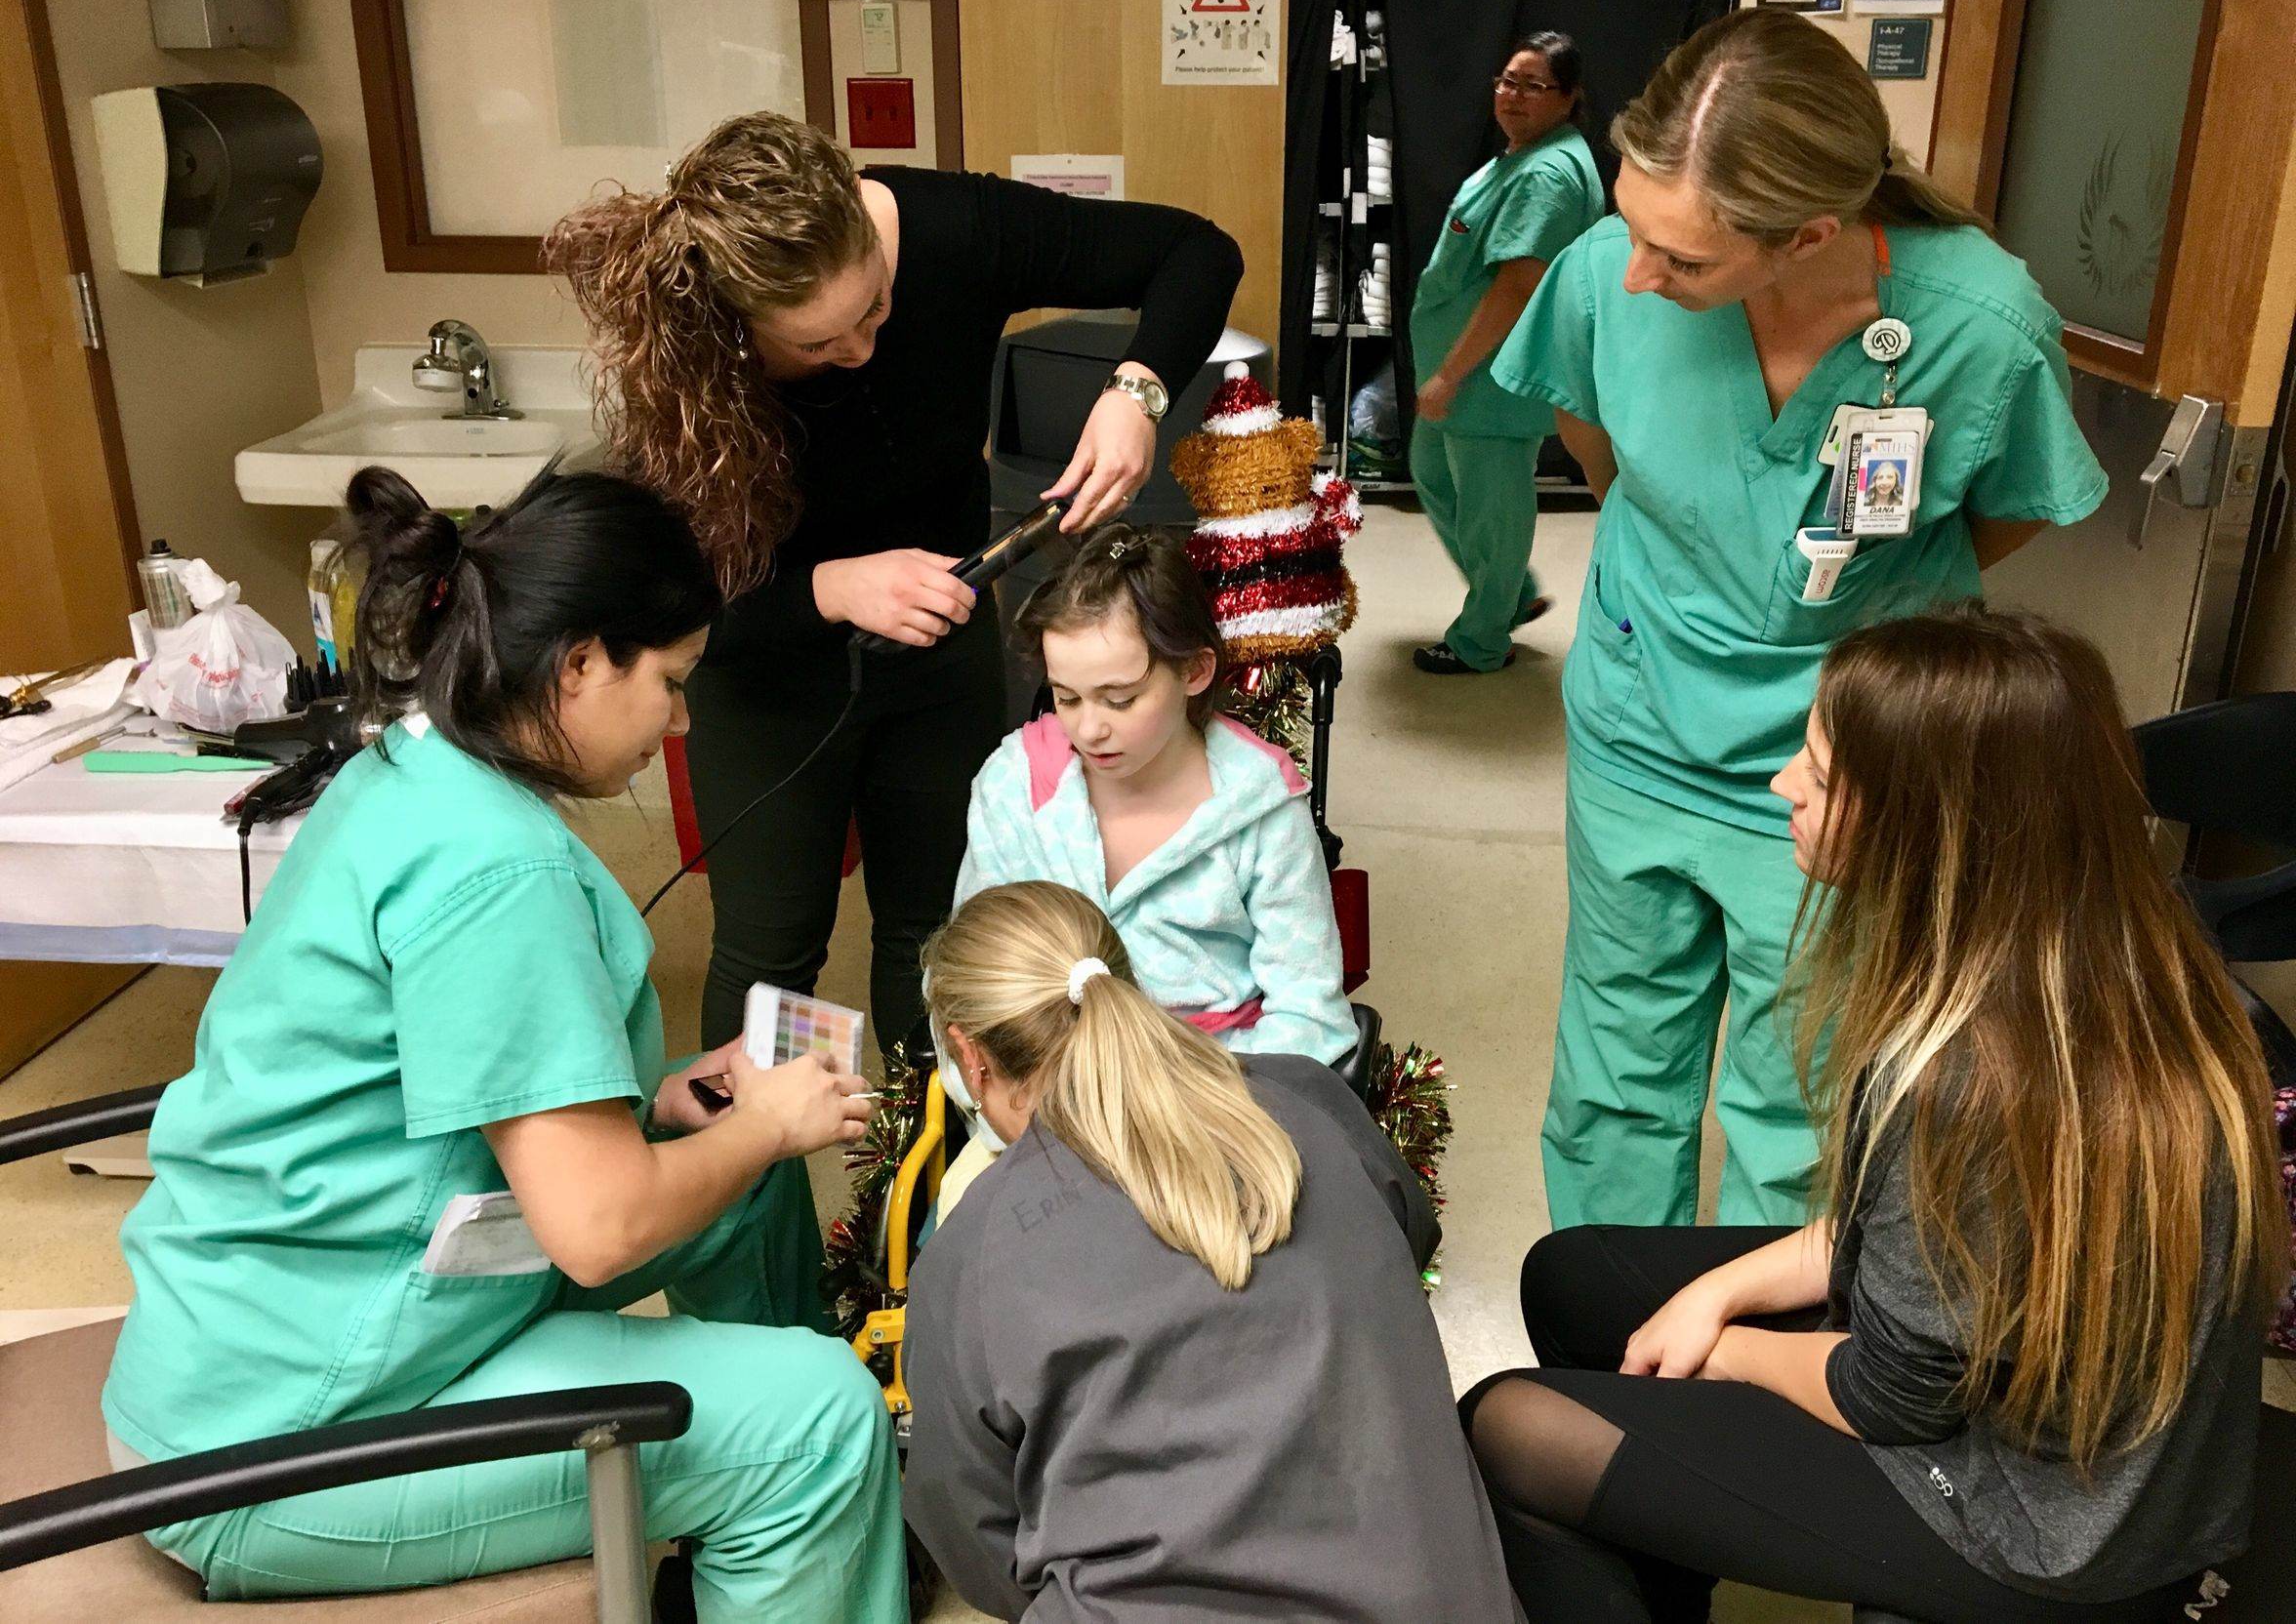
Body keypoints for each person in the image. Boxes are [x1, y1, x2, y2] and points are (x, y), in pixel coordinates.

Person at [101, 467, 905, 1622]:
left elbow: (454, 1090)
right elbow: (599, 1227)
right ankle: (801, 1476)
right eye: (670, 683)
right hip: (276, 1446)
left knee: (740, 1186)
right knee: (817, 1414)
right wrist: (773, 1118)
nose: (680, 722)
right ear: (580, 663)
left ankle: (781, 1532)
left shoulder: (412, 766)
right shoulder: (496, 869)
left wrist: (664, 1105)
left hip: (304, 1316)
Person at [547, 114, 1242, 1322]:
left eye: (876, 308)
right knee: (769, 958)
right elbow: (665, 594)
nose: (869, 348)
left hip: (939, 643)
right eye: (821, 342)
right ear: (739, 326)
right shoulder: (688, 353)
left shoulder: (951, 229)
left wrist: (1137, 393)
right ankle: (750, 1301)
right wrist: (825, 585)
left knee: (943, 941)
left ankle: (930, 1252)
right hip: (762, 663)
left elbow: (1197, 252)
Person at [1460, 608, 2283, 1622]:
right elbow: (1912, 1243)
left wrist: (1720, 1351)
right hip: (2066, 1419)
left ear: (1924, 821)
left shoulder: (1963, 1069)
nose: (1782, 786)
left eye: (1817, 769)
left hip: (2045, 1524)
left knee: (1511, 1428)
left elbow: (1895, 1395)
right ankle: (1666, 1551)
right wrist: (1714, 1292)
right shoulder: (2114, 958)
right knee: (1575, 1274)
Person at [1492, 7, 2110, 1227]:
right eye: (1633, 225)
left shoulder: (1979, 326)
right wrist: (1686, 556)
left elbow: (2012, 508)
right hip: (1640, 707)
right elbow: (1590, 430)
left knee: (1802, 1093)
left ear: (1809, 234)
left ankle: (1757, 1375)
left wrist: (1863, 614)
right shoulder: (1608, 278)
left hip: (1842, 759)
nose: (1636, 275)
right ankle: (1613, 1348)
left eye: (1683, 261)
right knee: (1618, 1067)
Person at [904, 881, 1521, 1622]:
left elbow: (971, 1530)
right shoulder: (1308, 1097)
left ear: (971, 1058)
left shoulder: (972, 1248)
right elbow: (1407, 1238)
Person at [929, 523, 1356, 1211]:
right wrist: (1020, 1104)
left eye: (1120, 699)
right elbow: (963, 977)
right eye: (1066, 697)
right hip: (1043, 1110)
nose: (1089, 728)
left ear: (1193, 671)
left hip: (1216, 1110)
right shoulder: (1014, 787)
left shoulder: (1260, 806)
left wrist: (1191, 1117)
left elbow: (1311, 1011)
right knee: (966, 1237)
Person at [1409, 30, 1605, 674]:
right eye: (1506, 80)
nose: (1512, 95)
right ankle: (1512, 594)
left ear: (1569, 99)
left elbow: (1519, 283)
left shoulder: (1547, 173)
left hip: (1486, 378)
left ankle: (1483, 639)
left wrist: (1448, 373)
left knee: (1492, 509)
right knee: (1434, 474)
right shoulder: (1521, 156)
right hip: (1464, 375)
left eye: (1532, 85)